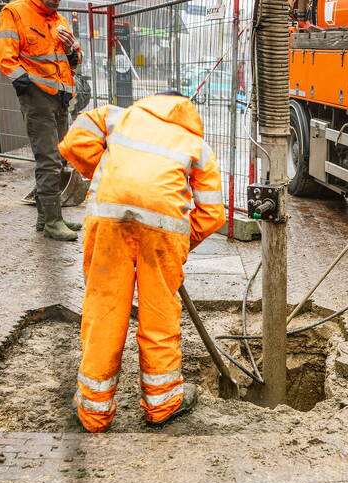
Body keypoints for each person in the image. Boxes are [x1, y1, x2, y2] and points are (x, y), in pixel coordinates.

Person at [58, 92, 225, 433]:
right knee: (159, 314)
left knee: (104, 308)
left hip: (109, 218)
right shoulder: (197, 145)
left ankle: (94, 411)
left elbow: (74, 144)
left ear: (151, 102)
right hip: (163, 232)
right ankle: (163, 404)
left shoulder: (115, 117)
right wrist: (180, 244)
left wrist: (108, 174)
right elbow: (212, 214)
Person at [0, 0, 83, 241]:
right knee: (49, 159)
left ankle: (48, 218)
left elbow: (73, 62)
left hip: (61, 96)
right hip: (38, 95)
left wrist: (71, 50)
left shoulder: (59, 20)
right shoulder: (16, 12)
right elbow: (3, 54)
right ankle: (52, 222)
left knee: (59, 157)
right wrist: (25, 85)